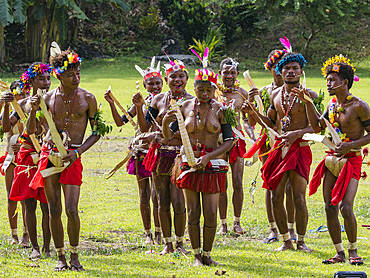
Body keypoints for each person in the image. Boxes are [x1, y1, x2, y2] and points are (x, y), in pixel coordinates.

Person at [28, 46, 100, 271]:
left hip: (72, 157)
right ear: (59, 75)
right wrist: (32, 110)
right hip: (49, 156)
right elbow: (32, 129)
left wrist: (77, 153)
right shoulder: (47, 98)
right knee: (54, 208)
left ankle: (75, 255)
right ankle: (60, 256)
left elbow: (97, 132)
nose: (76, 78)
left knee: (71, 209)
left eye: (78, 73)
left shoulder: (88, 98)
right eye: (71, 74)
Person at [293, 55, 368, 265]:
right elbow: (318, 126)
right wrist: (307, 102)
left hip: (351, 160)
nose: (328, 83)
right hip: (331, 160)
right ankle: (339, 252)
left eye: (332, 80)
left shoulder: (359, 106)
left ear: (345, 83)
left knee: (346, 207)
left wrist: (350, 145)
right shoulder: (332, 104)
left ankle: (353, 251)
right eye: (327, 80)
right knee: (329, 207)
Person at [162, 58, 234, 265]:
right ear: (194, 88)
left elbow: (229, 141)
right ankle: (196, 256)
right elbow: (168, 136)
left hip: (212, 165)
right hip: (189, 165)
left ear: (214, 90)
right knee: (193, 212)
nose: (204, 94)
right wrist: (167, 123)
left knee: (211, 213)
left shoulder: (222, 110)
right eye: (200, 89)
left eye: (208, 90)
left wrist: (209, 157)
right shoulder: (184, 107)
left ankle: (208, 255)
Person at [242, 52, 316, 252]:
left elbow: (317, 128)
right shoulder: (275, 95)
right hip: (278, 149)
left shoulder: (310, 94)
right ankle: (285, 241)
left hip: (299, 149)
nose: (290, 72)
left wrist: (297, 134)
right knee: (275, 196)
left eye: (295, 68)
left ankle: (301, 241)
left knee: (299, 198)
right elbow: (271, 124)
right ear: (279, 71)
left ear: (301, 70)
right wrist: (252, 113)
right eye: (286, 69)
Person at [133, 59, 193, 255]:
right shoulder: (157, 100)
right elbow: (144, 128)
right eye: (172, 77)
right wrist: (140, 106)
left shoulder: (193, 101)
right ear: (166, 80)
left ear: (187, 79)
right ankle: (167, 243)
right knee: (162, 200)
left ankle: (180, 243)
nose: (177, 80)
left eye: (180, 76)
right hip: (159, 155)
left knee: (178, 201)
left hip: (180, 157)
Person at [104, 57, 162, 244]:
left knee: (158, 195)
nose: (155, 87)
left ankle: (160, 231)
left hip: (160, 152)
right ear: (144, 86)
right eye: (151, 84)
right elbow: (120, 122)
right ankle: (147, 233)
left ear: (163, 84)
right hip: (141, 153)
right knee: (144, 194)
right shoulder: (140, 104)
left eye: (158, 83)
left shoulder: (165, 102)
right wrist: (112, 104)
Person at [246, 50, 297, 243]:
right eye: (276, 67)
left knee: (292, 185)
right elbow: (253, 120)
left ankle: (291, 228)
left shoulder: (296, 89)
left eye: (282, 67)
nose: (279, 71)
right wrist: (252, 101)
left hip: (291, 141)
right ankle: (273, 228)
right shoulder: (265, 91)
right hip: (269, 141)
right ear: (272, 69)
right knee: (270, 183)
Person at [3, 64, 53, 259]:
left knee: (48, 205)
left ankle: (48, 247)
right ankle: (34, 247)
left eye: (48, 78)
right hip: (26, 159)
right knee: (30, 204)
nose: (46, 82)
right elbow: (7, 127)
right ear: (30, 82)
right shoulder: (23, 104)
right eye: (41, 79)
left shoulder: (54, 101)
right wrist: (7, 104)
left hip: (47, 155)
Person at [215, 58, 254, 235]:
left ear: (236, 74)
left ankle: (236, 222)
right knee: (221, 183)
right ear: (220, 73)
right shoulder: (214, 92)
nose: (229, 76)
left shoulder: (243, 93)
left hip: (237, 141)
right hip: (218, 142)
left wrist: (252, 135)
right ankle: (223, 223)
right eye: (226, 72)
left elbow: (247, 120)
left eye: (232, 73)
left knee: (237, 183)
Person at [0, 81, 29, 247]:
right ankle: (14, 234)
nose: (24, 96)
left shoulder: (31, 110)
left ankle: (26, 233)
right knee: (11, 196)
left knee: (25, 197)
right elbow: (3, 126)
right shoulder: (10, 113)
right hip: (11, 157)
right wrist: (2, 103)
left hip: (27, 157)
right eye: (21, 93)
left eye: (27, 92)